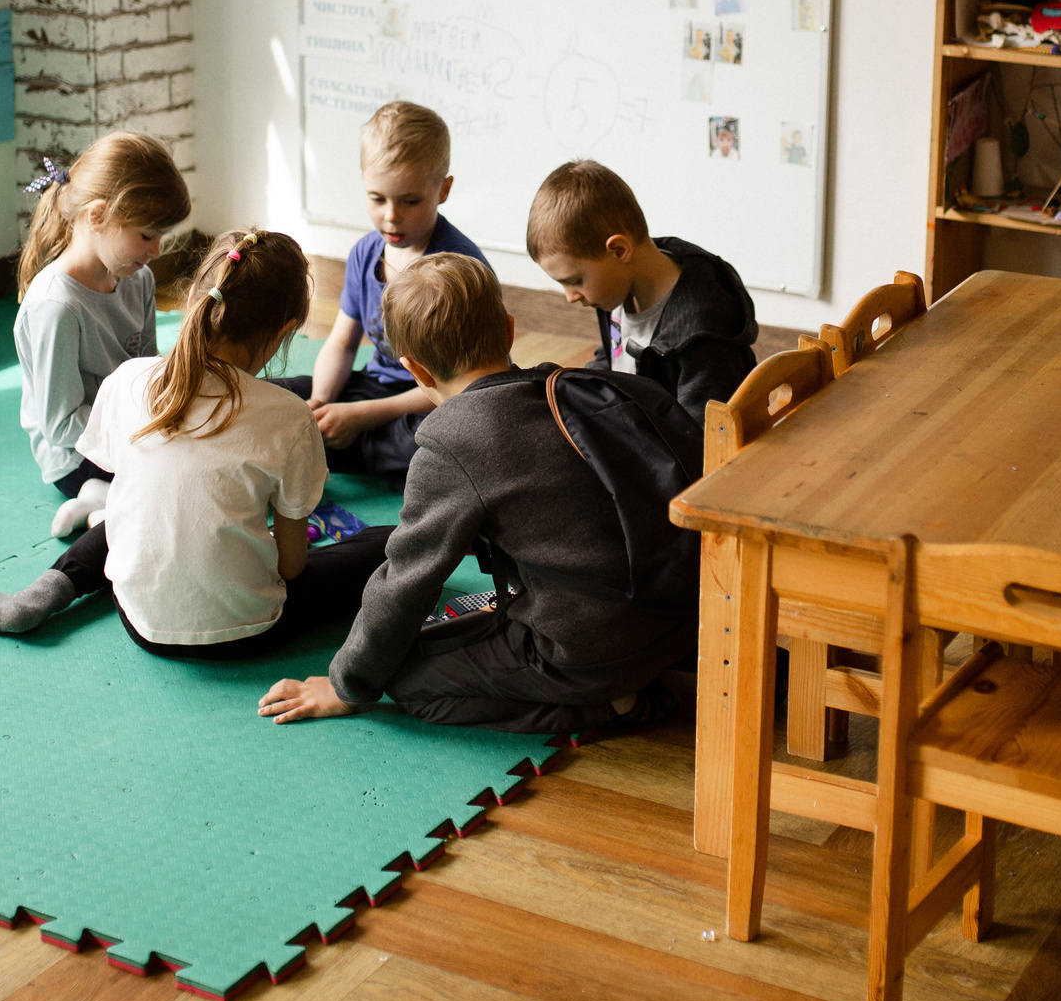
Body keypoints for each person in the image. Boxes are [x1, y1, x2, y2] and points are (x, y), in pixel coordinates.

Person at [258, 255, 693, 734]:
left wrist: (346, 684)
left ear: (415, 370)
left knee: (409, 682)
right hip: (679, 619)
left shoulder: (451, 441)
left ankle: (614, 706)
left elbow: (405, 580)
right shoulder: (570, 387)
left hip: (585, 650)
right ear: (509, 331)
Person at [0, 229, 392, 652]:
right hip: (246, 630)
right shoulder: (291, 418)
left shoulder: (128, 379)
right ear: (283, 331)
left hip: (136, 616)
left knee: (126, 518)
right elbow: (291, 567)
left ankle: (41, 594)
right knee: (386, 545)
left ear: (193, 298)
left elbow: (140, 492)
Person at [272, 100, 485, 477]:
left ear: (444, 189)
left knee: (451, 443)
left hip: (433, 404)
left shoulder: (459, 269)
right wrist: (321, 401)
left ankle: (322, 448)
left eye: (410, 201)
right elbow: (341, 343)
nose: (391, 215)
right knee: (275, 398)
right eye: (377, 198)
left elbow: (459, 386)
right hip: (374, 389)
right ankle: (323, 441)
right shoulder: (364, 253)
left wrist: (360, 416)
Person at [11, 132, 192, 537]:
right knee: (178, 480)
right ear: (97, 216)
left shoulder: (138, 279)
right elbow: (60, 427)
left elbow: (146, 368)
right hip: (76, 456)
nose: (158, 250)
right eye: (147, 235)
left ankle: (103, 501)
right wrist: (140, 431)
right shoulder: (55, 308)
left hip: (127, 428)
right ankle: (97, 500)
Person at [523, 159, 757, 423]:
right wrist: (585, 390)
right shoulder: (616, 290)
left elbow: (702, 440)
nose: (570, 296)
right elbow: (614, 352)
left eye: (575, 280)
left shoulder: (702, 334)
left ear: (619, 250)